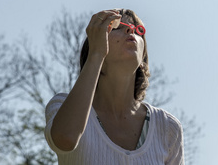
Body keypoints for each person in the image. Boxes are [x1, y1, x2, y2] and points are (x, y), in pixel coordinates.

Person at [44, 9, 184, 165]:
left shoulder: (167, 127)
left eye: (138, 30)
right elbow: (65, 139)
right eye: (117, 27)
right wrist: (96, 55)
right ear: (94, 44)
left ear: (143, 56)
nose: (131, 29)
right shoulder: (63, 106)